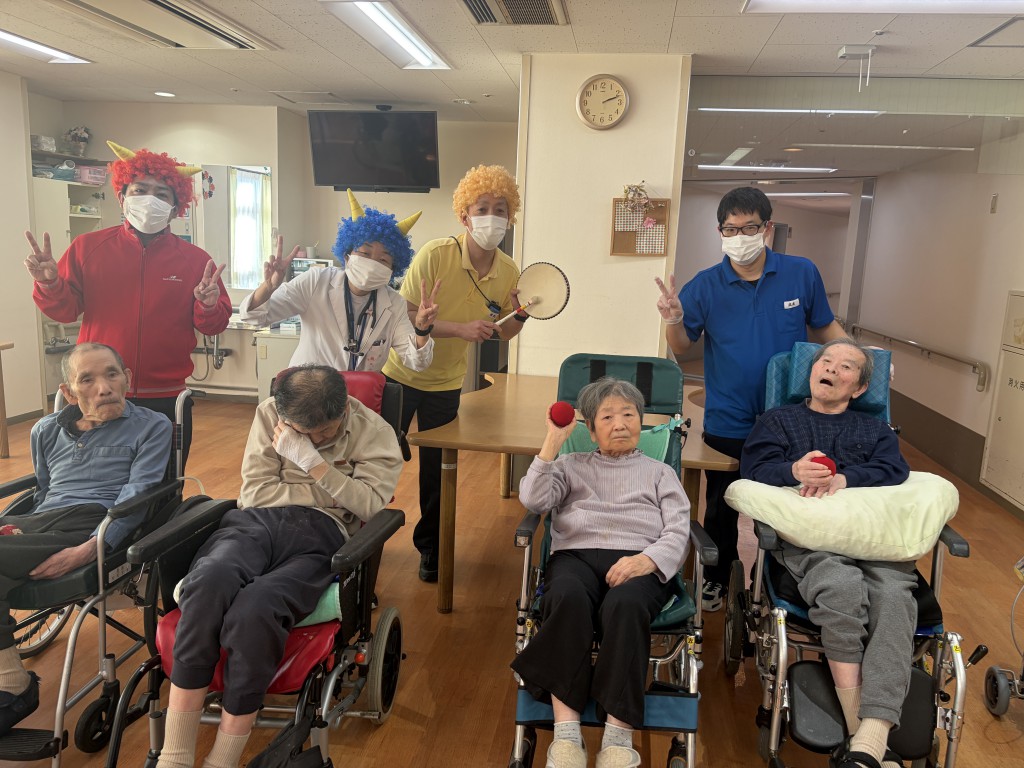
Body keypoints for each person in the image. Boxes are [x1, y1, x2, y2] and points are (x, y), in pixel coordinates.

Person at [156, 365, 402, 768]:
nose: (313, 439)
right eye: (302, 433)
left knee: (257, 607)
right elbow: (255, 492)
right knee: (209, 582)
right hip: (254, 521)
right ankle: (176, 752)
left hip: (323, 534)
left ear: (343, 410)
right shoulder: (269, 412)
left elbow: (372, 507)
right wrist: (334, 492)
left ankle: (223, 759)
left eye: (323, 433)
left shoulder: (375, 432)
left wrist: (311, 462)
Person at [655, 185, 847, 611]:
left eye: (749, 227)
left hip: (790, 418)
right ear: (720, 232)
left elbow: (824, 326)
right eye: (730, 229)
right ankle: (715, 579)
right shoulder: (705, 285)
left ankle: (776, 582)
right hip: (729, 417)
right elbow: (682, 346)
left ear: (767, 228)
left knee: (787, 504)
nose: (739, 236)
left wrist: (859, 358)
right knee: (723, 504)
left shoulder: (801, 273)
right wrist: (673, 319)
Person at [741, 339, 911, 768]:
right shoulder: (778, 421)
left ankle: (869, 736)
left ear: (861, 388)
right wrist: (793, 470)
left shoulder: (875, 430)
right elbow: (754, 469)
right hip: (812, 542)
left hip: (872, 539)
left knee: (895, 598)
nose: (832, 368)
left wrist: (846, 479)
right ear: (811, 372)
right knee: (841, 586)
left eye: (846, 366)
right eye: (826, 361)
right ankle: (865, 737)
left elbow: (895, 470)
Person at [511, 378, 690, 768]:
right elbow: (534, 499)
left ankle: (617, 738)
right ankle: (567, 734)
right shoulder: (570, 465)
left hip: (639, 560)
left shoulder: (660, 473)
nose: (620, 424)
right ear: (590, 430)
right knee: (566, 597)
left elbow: (679, 530)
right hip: (575, 557)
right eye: (607, 417)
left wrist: (647, 560)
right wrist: (553, 442)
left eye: (629, 414)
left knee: (626, 606)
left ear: (640, 421)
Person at [0, 342, 171, 737]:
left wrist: (89, 548)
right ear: (68, 391)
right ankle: (11, 678)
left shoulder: (152, 426)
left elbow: (138, 495)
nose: (104, 388)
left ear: (127, 378)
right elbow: (43, 491)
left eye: (112, 374)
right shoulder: (44, 430)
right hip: (44, 522)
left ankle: (12, 685)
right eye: (87, 379)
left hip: (94, 522)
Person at [25, 141, 231, 466]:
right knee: (92, 479)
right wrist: (49, 282)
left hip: (165, 397)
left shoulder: (195, 260)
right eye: (140, 190)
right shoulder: (87, 247)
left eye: (161, 194)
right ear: (122, 197)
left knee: (163, 484)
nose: (149, 199)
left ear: (175, 207)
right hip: (97, 392)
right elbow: (63, 311)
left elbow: (214, 324)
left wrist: (207, 305)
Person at [382, 164, 527, 582]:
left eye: (501, 209)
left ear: (511, 217)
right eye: (483, 208)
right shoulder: (435, 254)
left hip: (446, 384)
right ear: (464, 216)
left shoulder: (509, 271)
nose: (492, 217)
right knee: (379, 462)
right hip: (400, 374)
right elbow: (406, 315)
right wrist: (459, 329)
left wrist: (522, 314)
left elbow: (504, 333)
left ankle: (431, 550)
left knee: (437, 472)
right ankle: (365, 546)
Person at [237, 189, 439, 372]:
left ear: (393, 270)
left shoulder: (394, 303)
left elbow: (417, 362)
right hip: (308, 389)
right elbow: (253, 317)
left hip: (357, 395)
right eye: (365, 253)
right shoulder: (316, 281)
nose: (372, 264)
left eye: (383, 260)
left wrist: (422, 330)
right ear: (347, 255)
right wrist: (268, 287)